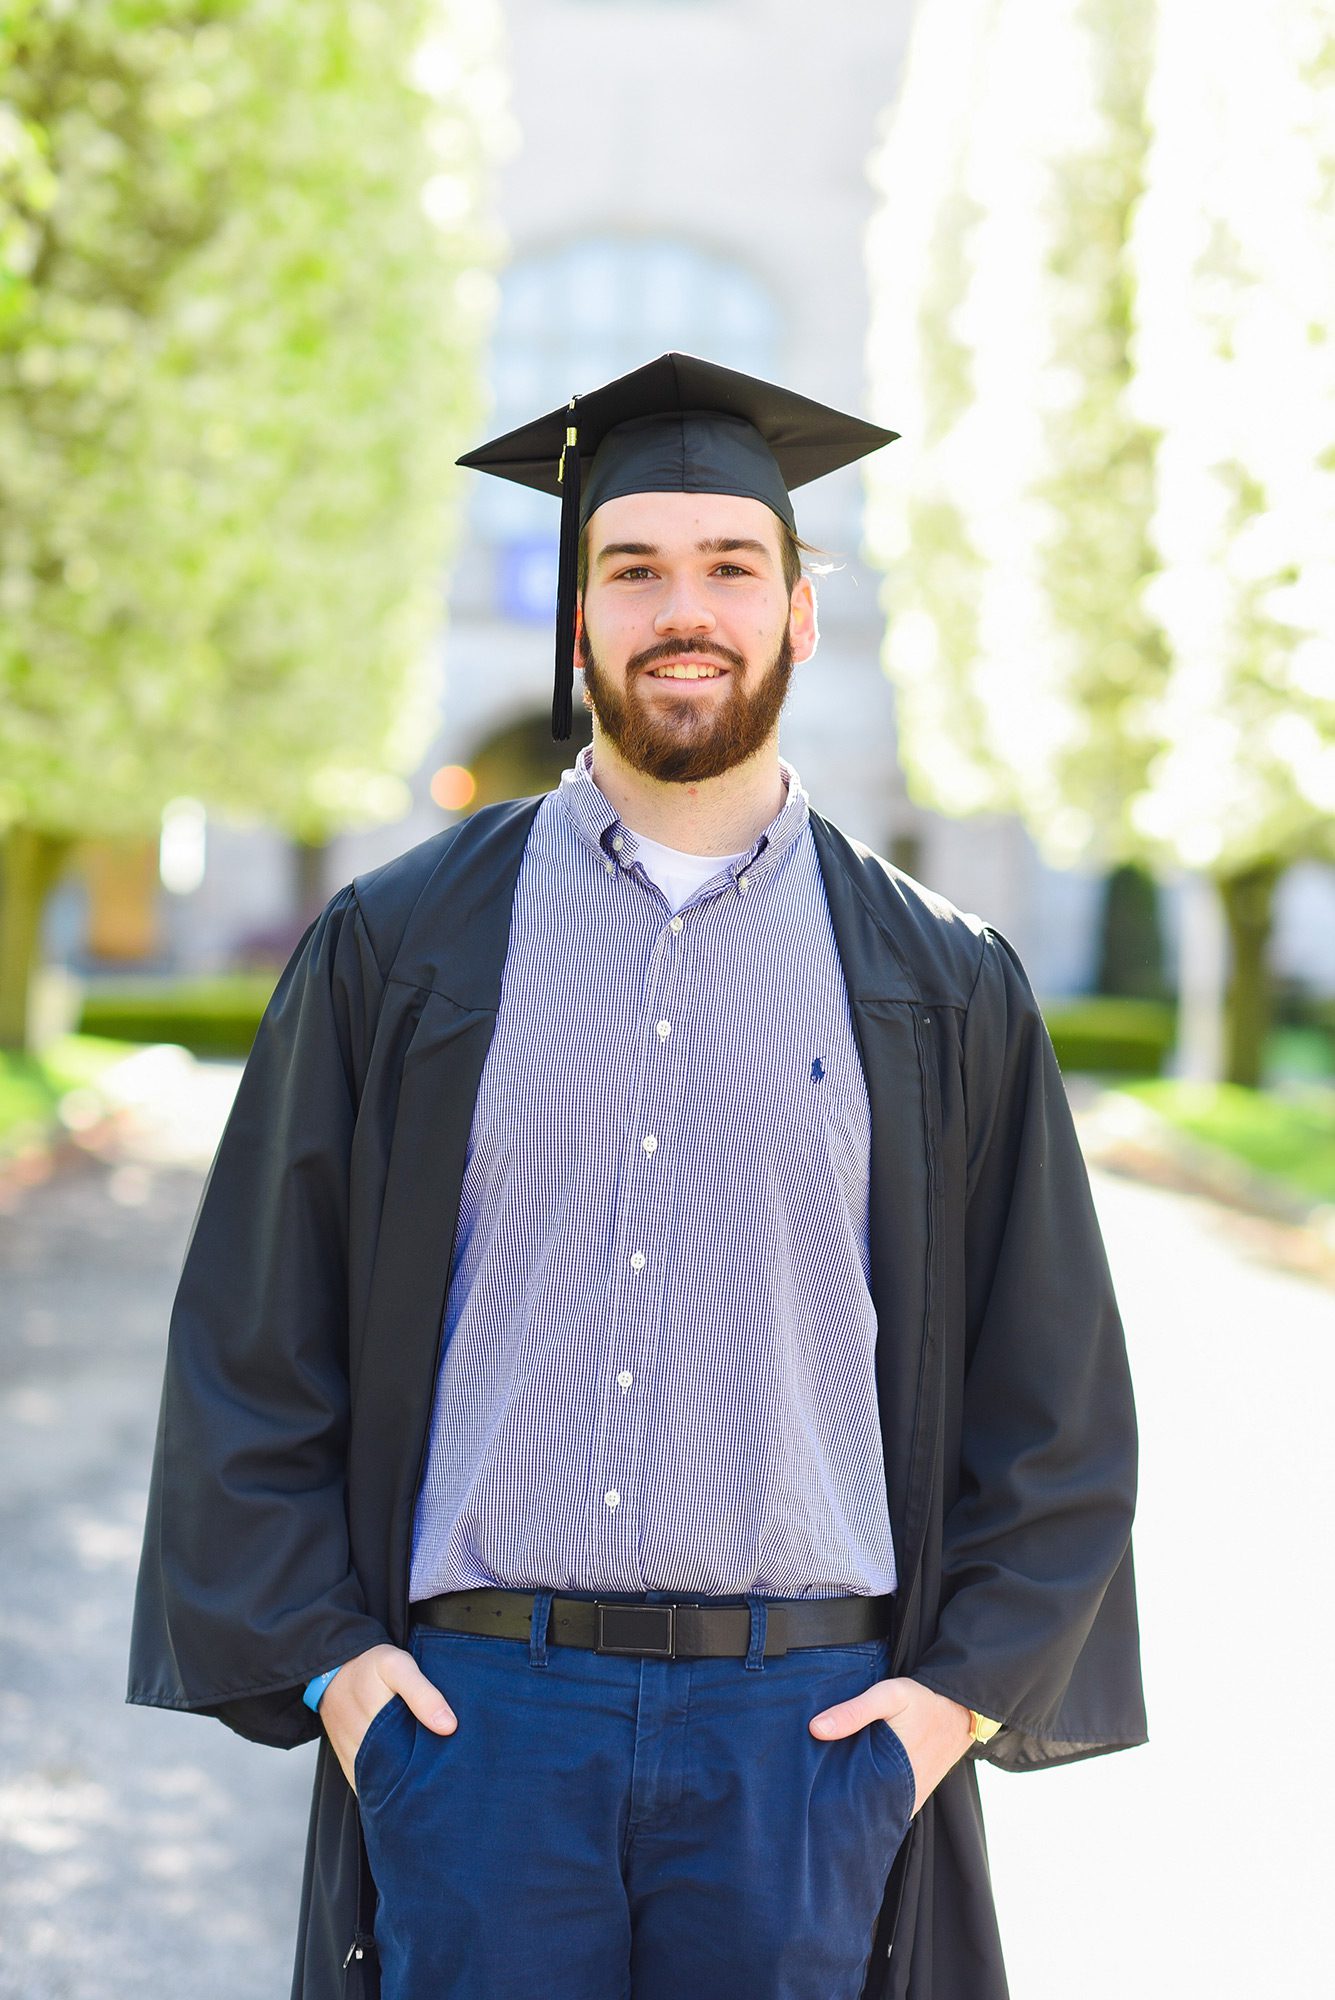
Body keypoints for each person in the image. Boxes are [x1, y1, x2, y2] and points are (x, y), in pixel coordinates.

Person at [128, 353, 1146, 2000]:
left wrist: (936, 1716)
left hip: (804, 1739)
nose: (688, 608)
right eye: (636, 568)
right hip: (477, 1725)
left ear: (802, 613)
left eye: (733, 567)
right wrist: (341, 1679)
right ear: (578, 617)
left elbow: (1058, 1404)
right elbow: (255, 1343)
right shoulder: (400, 951)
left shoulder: (942, 985)